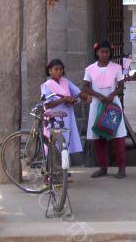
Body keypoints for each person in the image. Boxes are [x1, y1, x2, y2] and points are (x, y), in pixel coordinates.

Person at [82, 40, 127, 178]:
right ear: (97, 52)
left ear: (110, 53)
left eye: (107, 52)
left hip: (112, 104)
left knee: (118, 136)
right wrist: (99, 96)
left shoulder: (116, 68)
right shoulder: (89, 69)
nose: (104, 54)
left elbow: (121, 85)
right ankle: (103, 166)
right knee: (98, 136)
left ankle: (121, 167)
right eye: (102, 52)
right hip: (97, 104)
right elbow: (85, 87)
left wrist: (112, 94)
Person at [40, 59, 84, 157]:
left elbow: (77, 92)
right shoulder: (47, 85)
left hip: (67, 116)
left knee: (65, 141)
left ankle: (63, 169)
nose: (59, 72)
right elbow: (47, 105)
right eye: (56, 69)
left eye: (61, 69)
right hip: (53, 117)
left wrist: (76, 99)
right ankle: (54, 167)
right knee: (54, 142)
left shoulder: (66, 82)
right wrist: (63, 100)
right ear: (50, 71)